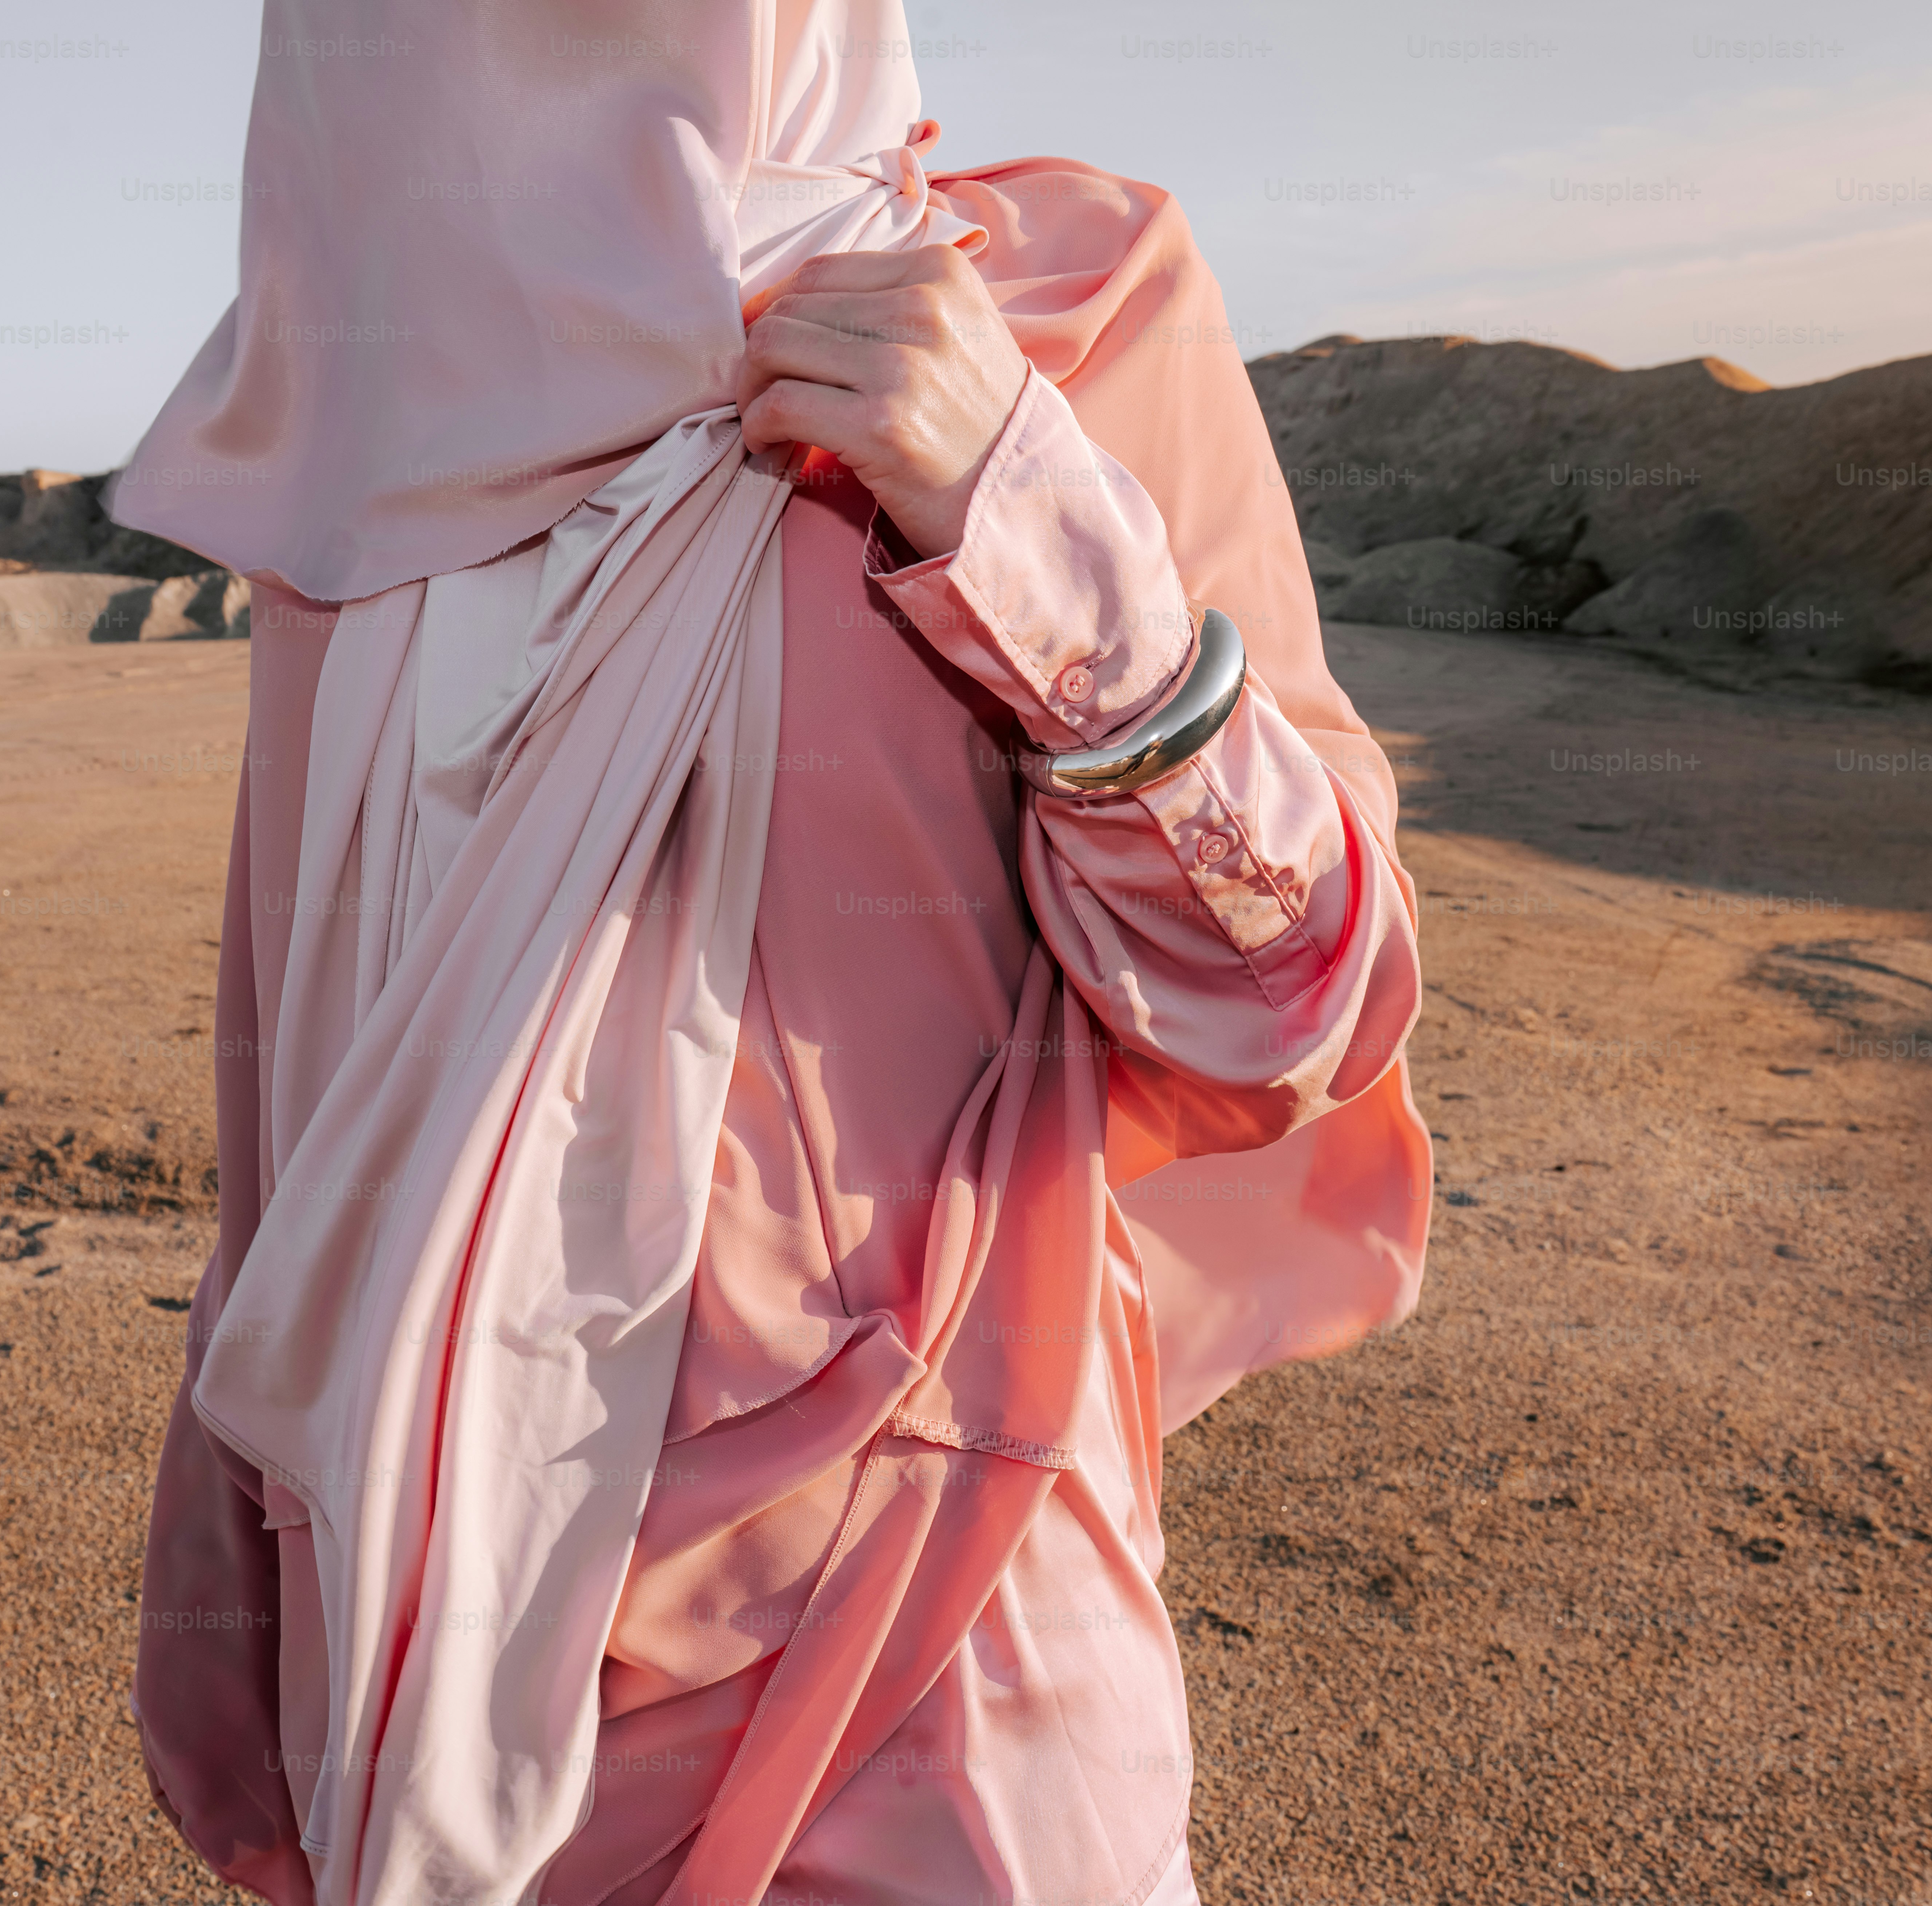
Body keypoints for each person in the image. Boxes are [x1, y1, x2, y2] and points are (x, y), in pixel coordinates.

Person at [103, 6, 1430, 1903]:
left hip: (940, 1672)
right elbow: (307, 1100)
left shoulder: (1049, 302)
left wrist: (1019, 514)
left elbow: (1296, 1007)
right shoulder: (342, 415)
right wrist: (258, 1606)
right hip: (437, 1683)